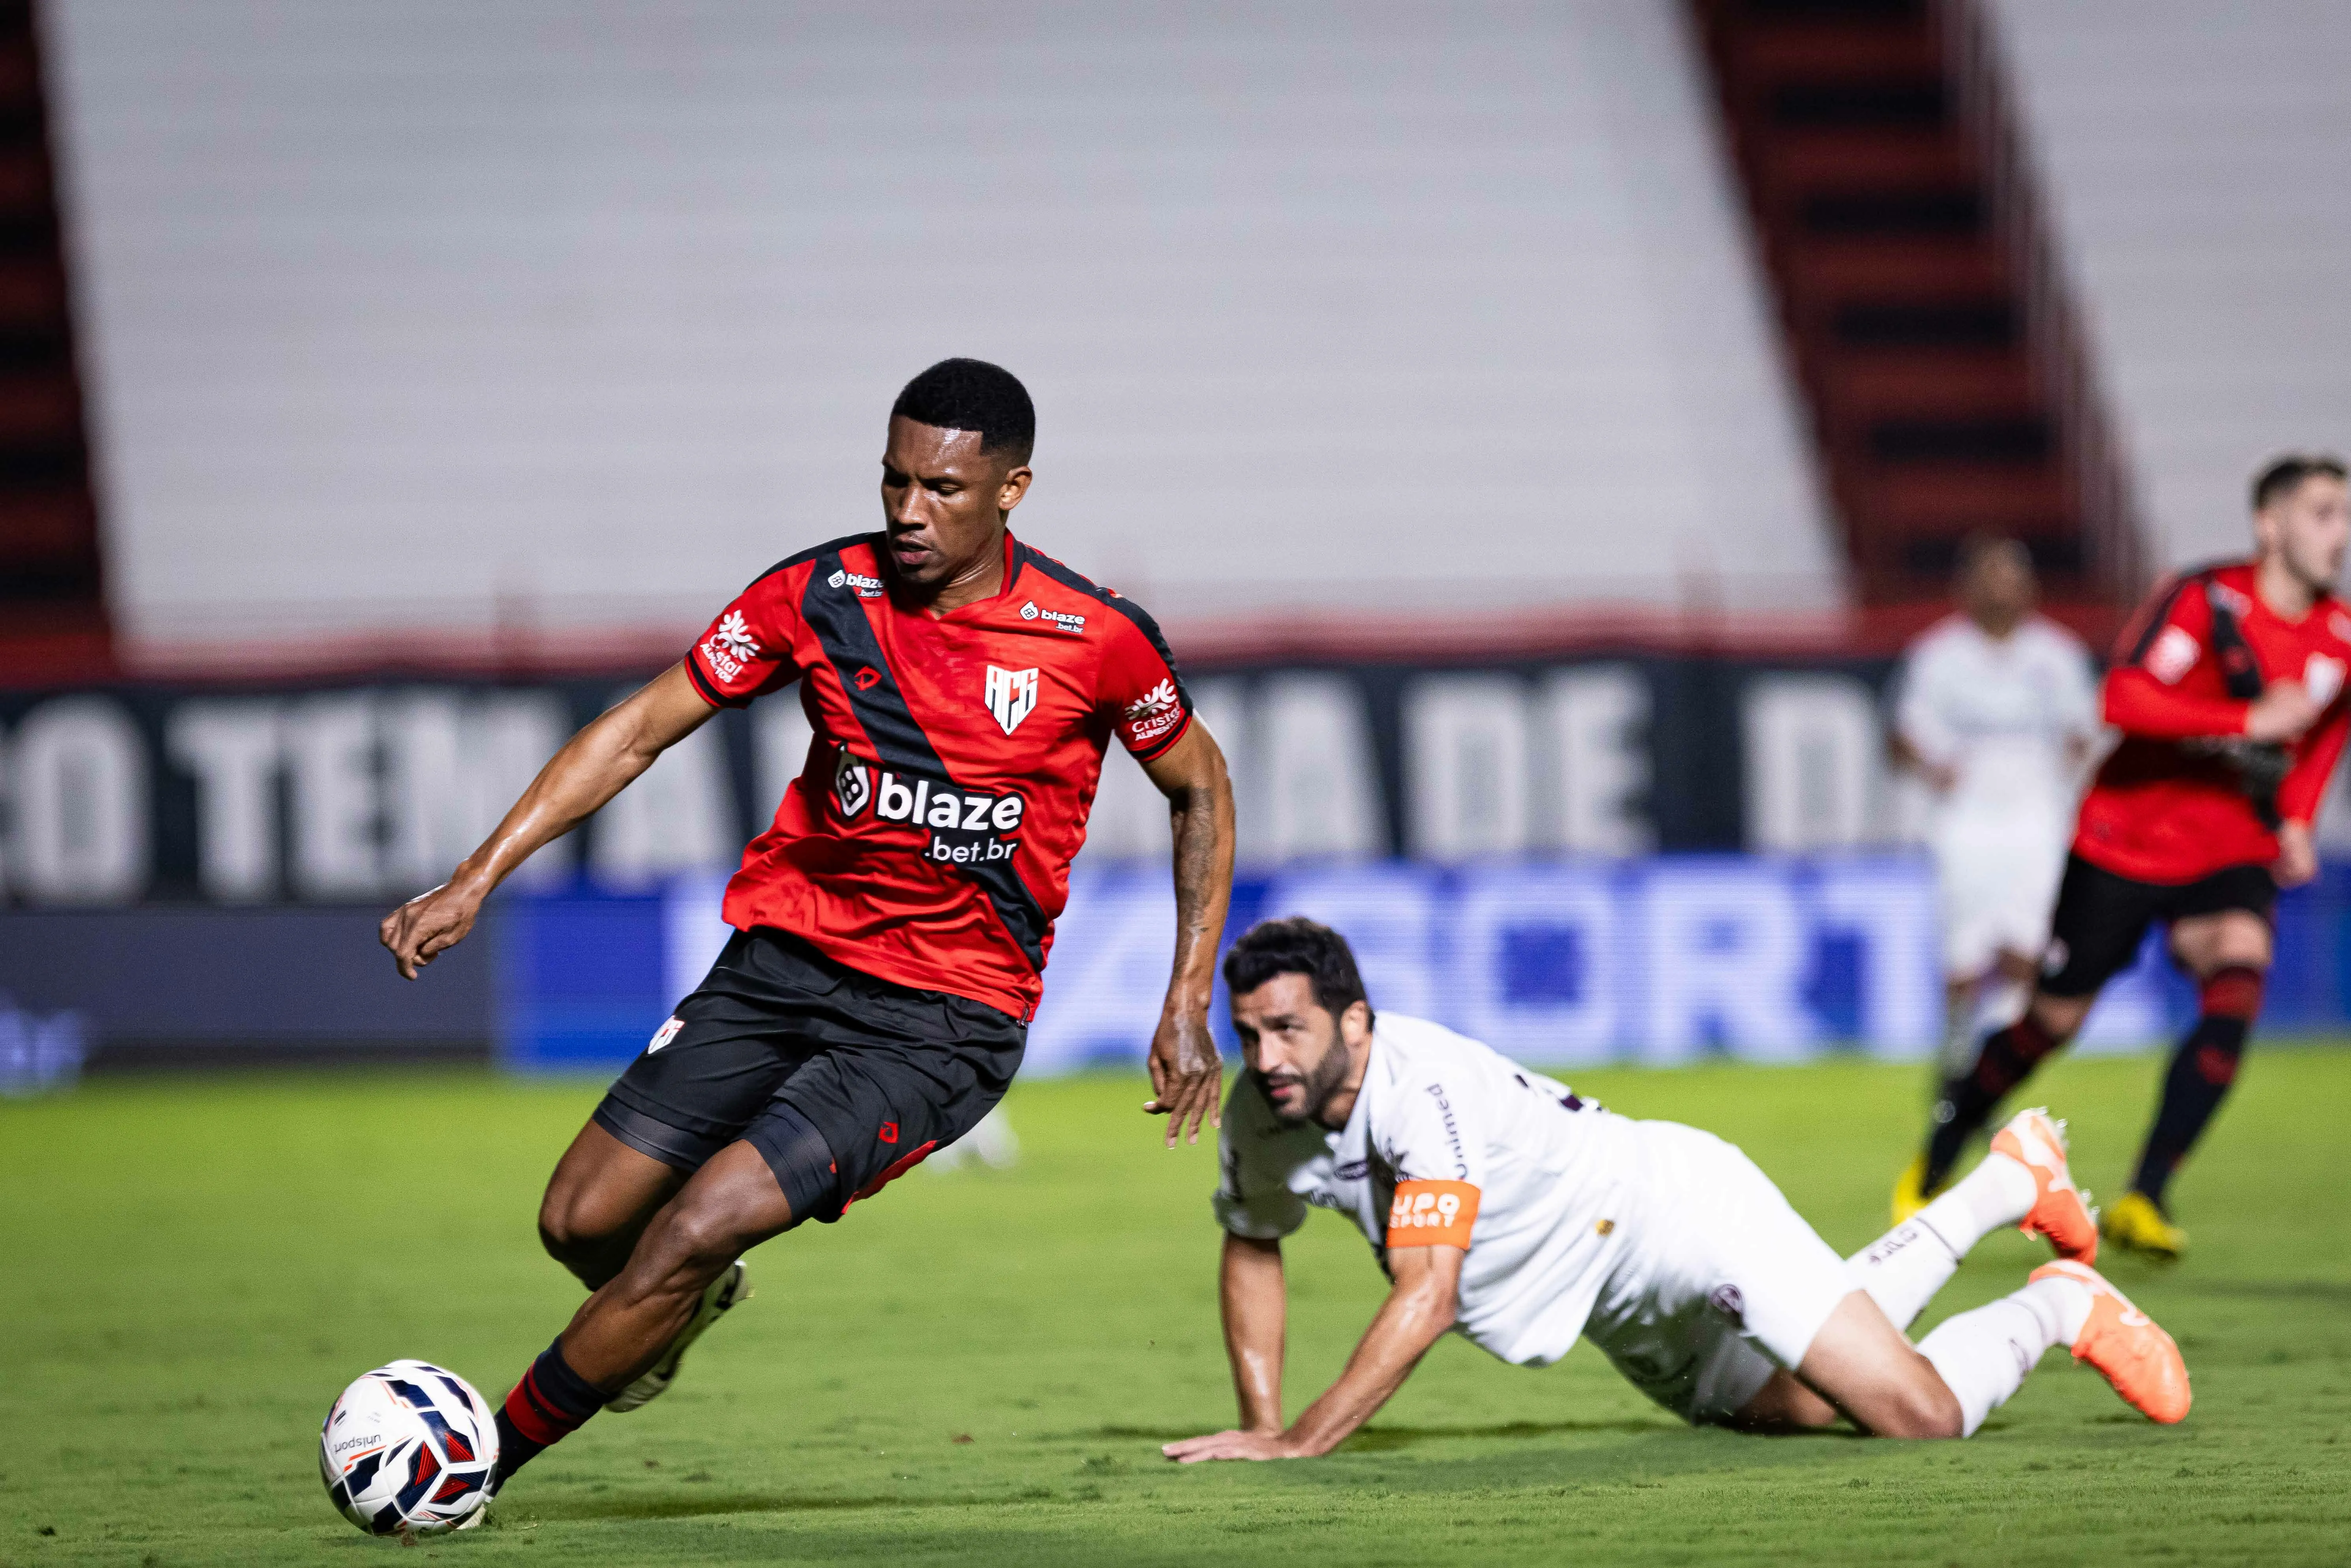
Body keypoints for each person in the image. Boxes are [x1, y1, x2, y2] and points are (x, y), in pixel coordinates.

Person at [380, 358, 1235, 1497]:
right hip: (781, 965)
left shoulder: (1094, 638)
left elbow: (1203, 787)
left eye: (942, 489)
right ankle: (685, 1304)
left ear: (1013, 490)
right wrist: (475, 877)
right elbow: (640, 728)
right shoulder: (820, 595)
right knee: (582, 1224)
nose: (908, 513)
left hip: (940, 1019)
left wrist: (1185, 998)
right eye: (893, 482)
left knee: (693, 1229)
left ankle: (471, 1466)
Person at [1165, 919, 2187, 1464]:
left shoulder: (1422, 1093)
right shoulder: (1264, 1112)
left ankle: (2063, 1302)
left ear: (1354, 1024)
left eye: (1287, 1028)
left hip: (1678, 1218)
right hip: (1609, 1302)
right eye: (1249, 1032)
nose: (1265, 1056)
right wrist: (1262, 1421)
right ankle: (2013, 1179)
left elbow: (1428, 1294)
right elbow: (1254, 1240)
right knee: (1794, 1408)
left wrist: (1299, 1445)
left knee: (1915, 1416)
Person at [1894, 454, 2351, 1259]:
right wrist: (2245, 720)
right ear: (2270, 525)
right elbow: (2123, 698)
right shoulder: (2206, 598)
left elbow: (2324, 734)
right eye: (2322, 514)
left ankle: (2146, 1192)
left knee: (2239, 978)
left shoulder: (2338, 635)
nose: (2339, 534)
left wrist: (2300, 820)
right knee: (2051, 1020)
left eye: (2344, 516)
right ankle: (1937, 1155)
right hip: (2124, 841)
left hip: (2229, 847)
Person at [1890, 537, 2100, 1075]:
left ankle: (2003, 1058)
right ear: (1967, 588)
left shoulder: (2057, 654)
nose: (2001, 589)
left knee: (2028, 946)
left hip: (2036, 816)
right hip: (1968, 819)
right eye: (1990, 576)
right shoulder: (1939, 656)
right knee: (1965, 951)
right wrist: (1931, 766)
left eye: (2011, 577)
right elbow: (1905, 731)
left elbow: (2085, 730)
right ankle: (1959, 1044)